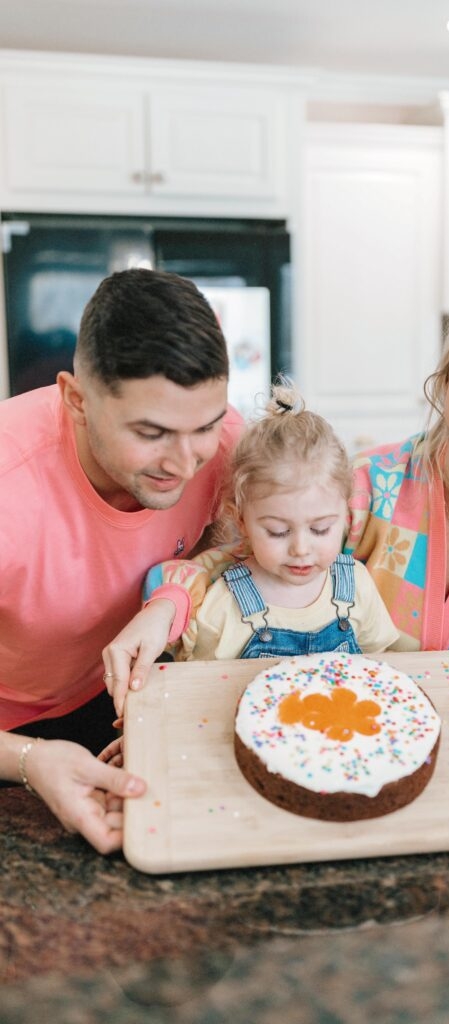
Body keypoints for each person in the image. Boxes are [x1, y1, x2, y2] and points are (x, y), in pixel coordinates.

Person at [104, 289, 449, 850]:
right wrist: (167, 606)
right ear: (447, 378)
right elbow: (238, 561)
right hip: (324, 753)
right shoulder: (366, 483)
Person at [0, 267, 244, 851]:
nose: (186, 463)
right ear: (76, 400)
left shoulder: (225, 444)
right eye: (152, 432)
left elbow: (238, 548)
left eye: (204, 427)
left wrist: (172, 599)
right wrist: (31, 761)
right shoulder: (9, 485)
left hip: (123, 700)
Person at [105, 382, 397, 683]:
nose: (300, 548)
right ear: (241, 520)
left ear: (345, 515)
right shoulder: (223, 606)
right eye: (278, 531)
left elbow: (379, 664)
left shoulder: (357, 588)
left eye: (320, 529)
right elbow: (197, 689)